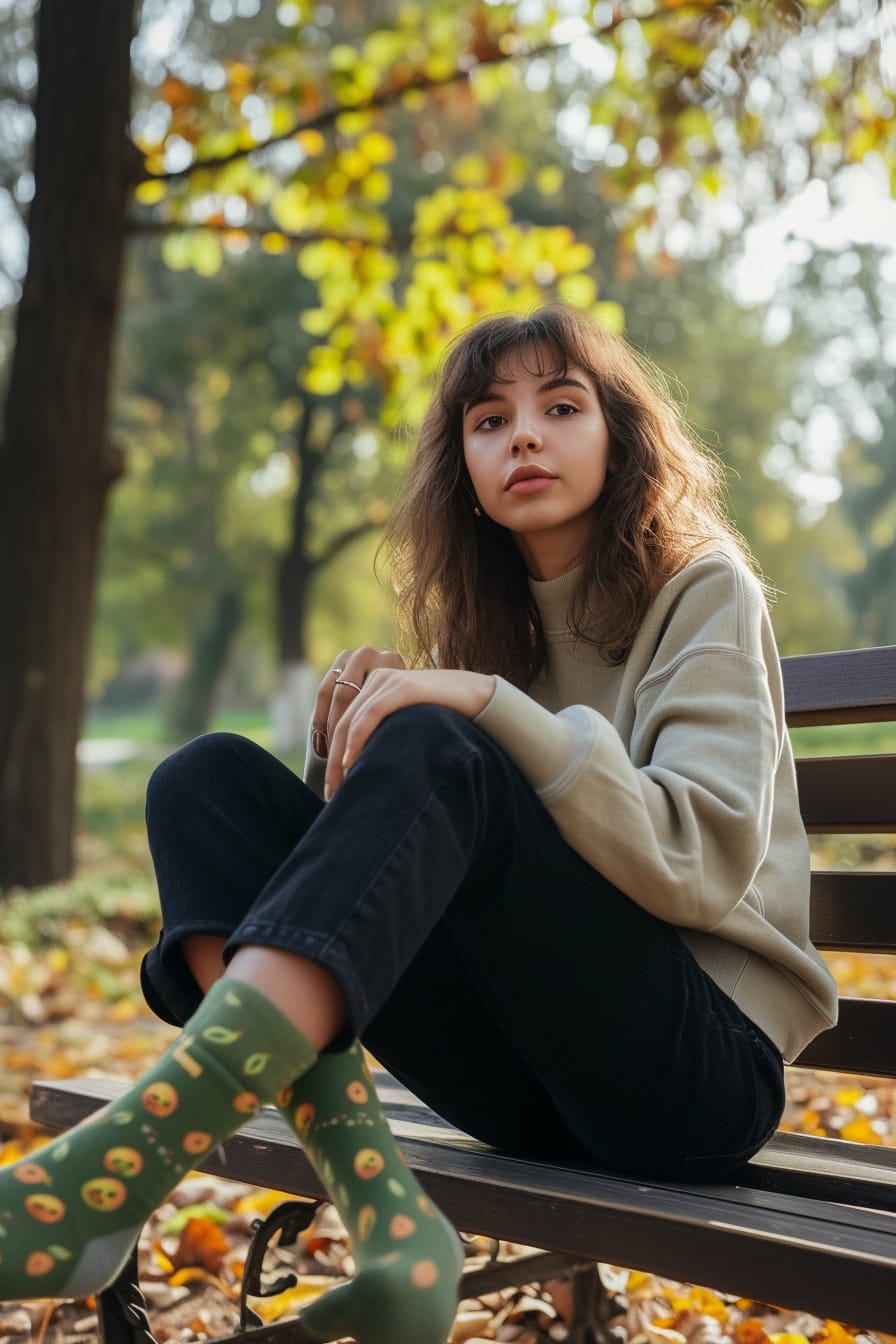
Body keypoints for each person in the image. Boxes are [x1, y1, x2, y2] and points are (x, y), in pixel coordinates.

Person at [0, 305, 837, 1342]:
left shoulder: (701, 588)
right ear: (463, 471)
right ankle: (390, 1224)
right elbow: (389, 883)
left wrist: (482, 709)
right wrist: (348, 737)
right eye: (488, 420)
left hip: (690, 1082)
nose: (522, 434)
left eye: (560, 406)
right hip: (523, 1081)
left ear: (619, 437)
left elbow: (699, 862)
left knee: (443, 741)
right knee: (202, 780)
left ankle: (135, 1158)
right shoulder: (486, 628)